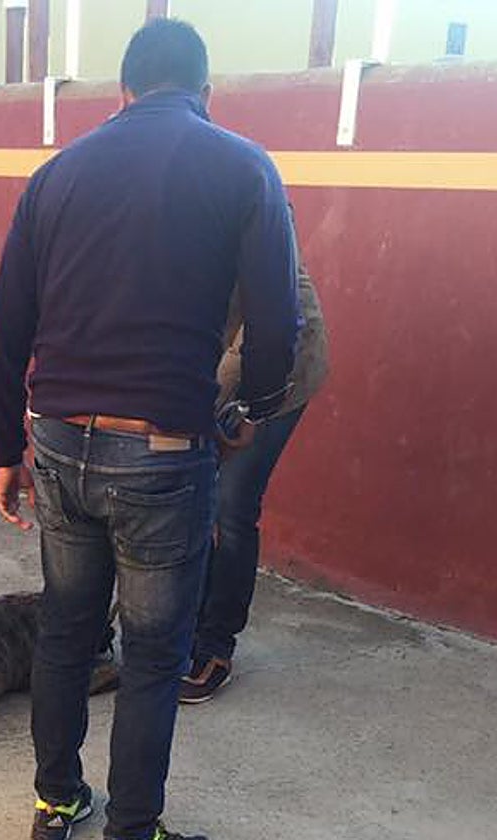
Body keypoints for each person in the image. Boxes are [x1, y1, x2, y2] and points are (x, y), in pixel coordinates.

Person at [0, 19, 300, 840]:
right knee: (154, 655)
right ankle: (133, 829)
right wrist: (248, 412)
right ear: (205, 91)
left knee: (65, 631)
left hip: (57, 439)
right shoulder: (242, 166)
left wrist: (2, 451)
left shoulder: (56, 176)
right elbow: (276, 326)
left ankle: (56, 805)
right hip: (162, 453)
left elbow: (5, 327)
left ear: (120, 92)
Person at [180, 221, 330, 704]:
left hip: (278, 367)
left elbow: (270, 328)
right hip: (217, 354)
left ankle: (214, 644)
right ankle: (180, 622)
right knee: (186, 494)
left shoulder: (254, 207)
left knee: (231, 505)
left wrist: (197, 406)